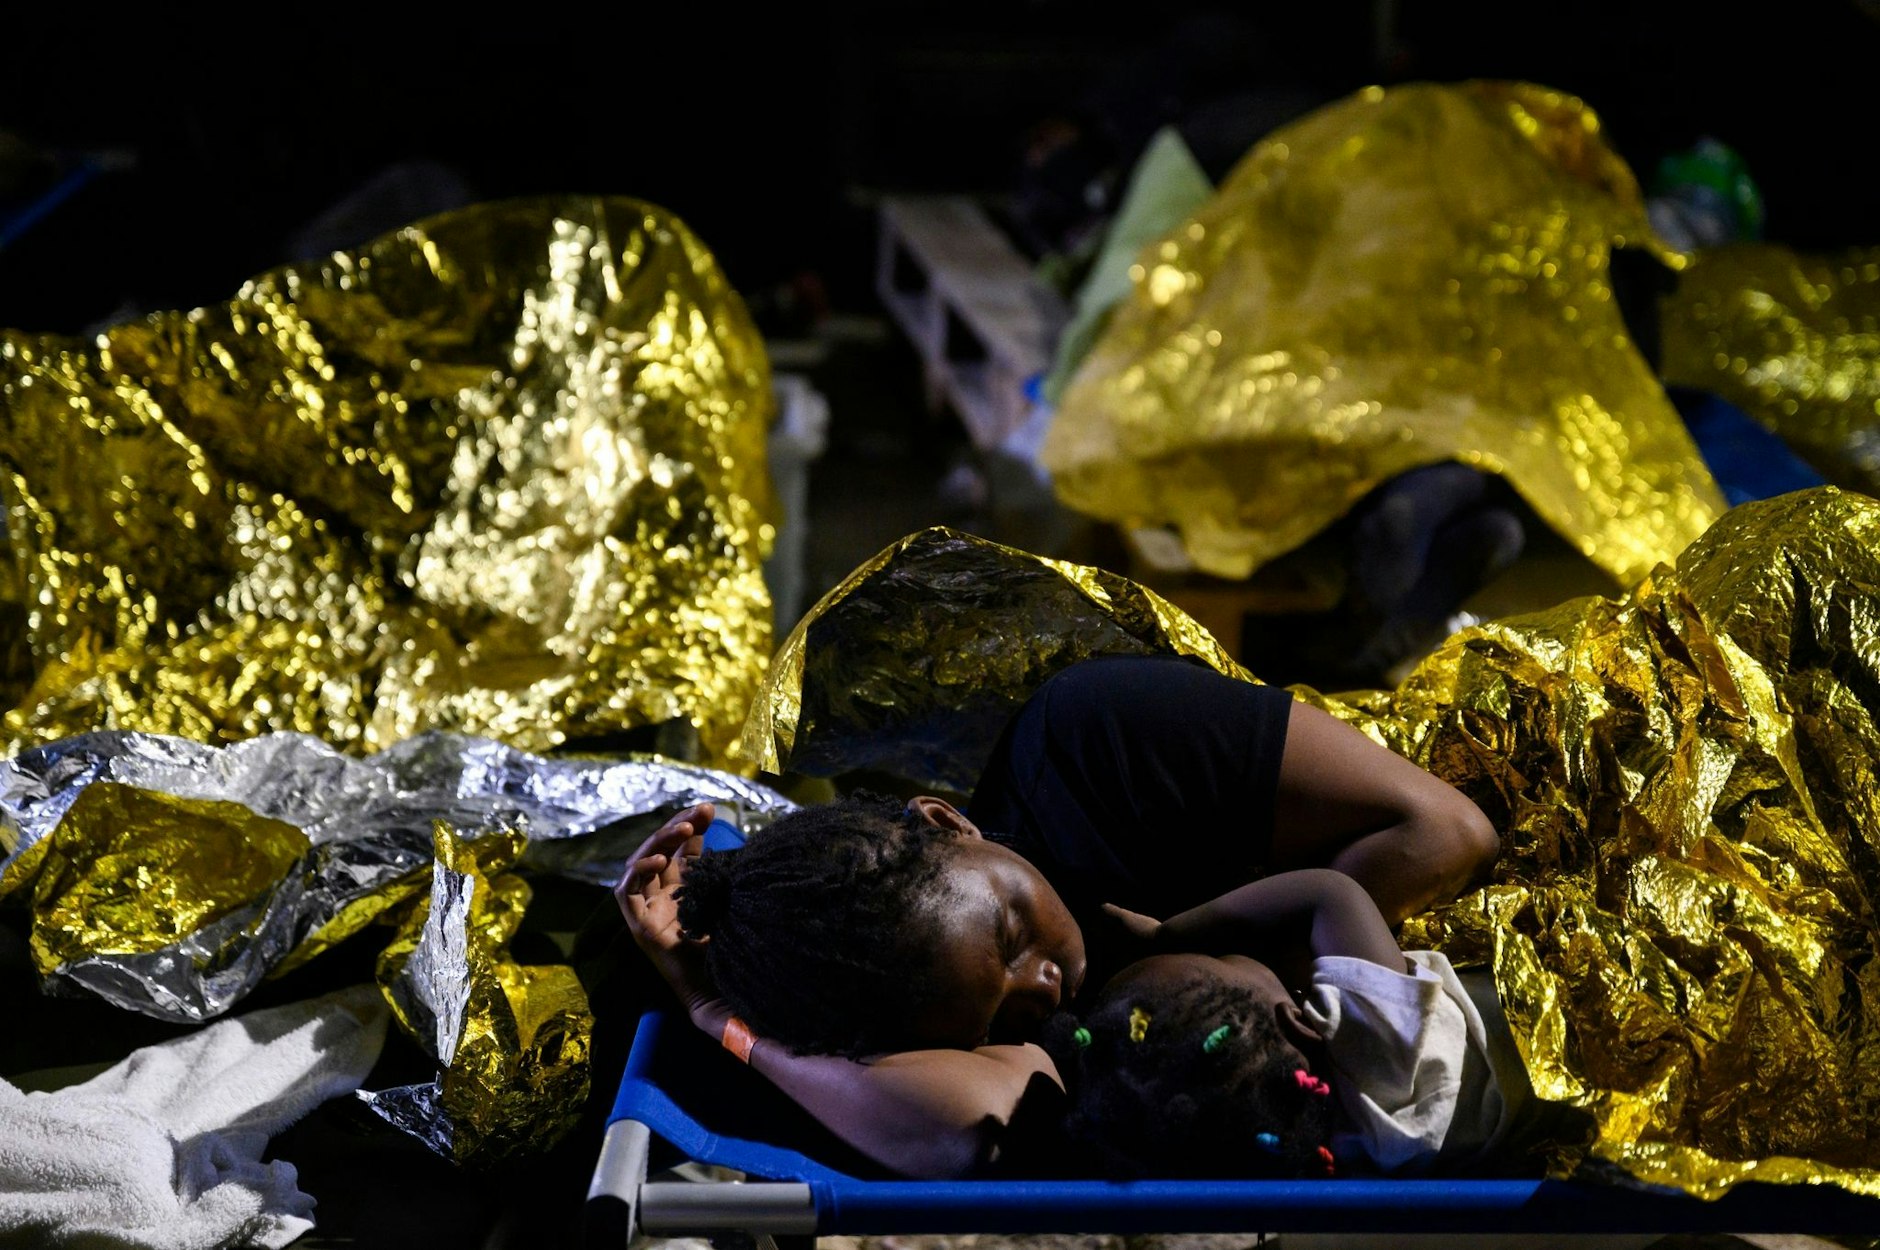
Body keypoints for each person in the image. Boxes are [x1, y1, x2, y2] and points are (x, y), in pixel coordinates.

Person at [617, 654, 1500, 1178]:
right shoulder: (1048, 1033)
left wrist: (1230, 966)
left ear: (945, 820)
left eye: (1009, 931)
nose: (1047, 983)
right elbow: (953, 1131)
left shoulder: (1094, 746)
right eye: (998, 1013)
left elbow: (1447, 831)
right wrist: (715, 1015)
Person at [1037, 866, 1564, 1180]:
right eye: (1226, 961)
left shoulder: (1330, 1149)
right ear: (1302, 1022)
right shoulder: (1376, 1036)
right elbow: (1329, 893)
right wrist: (1169, 937)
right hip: (1541, 1013)